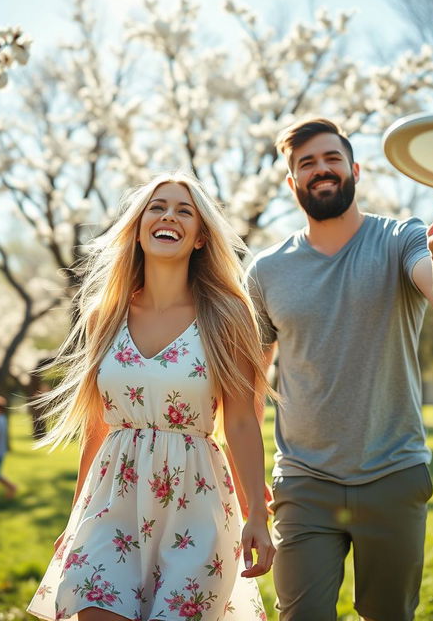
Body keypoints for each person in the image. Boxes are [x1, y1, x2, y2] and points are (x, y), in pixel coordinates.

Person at [245, 117, 433, 621]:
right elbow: (249, 389)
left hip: (393, 471)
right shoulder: (266, 270)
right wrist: (252, 495)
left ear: (354, 170)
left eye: (331, 159)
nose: (320, 169)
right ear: (291, 182)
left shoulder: (402, 238)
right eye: (306, 163)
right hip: (303, 480)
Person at [27, 173, 274, 621]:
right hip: (112, 499)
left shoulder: (227, 313)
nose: (168, 217)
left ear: (200, 238)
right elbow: (97, 425)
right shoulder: (105, 313)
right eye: (157, 207)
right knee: (94, 607)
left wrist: (256, 510)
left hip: (195, 500)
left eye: (184, 211)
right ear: (139, 227)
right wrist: (74, 517)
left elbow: (240, 422)